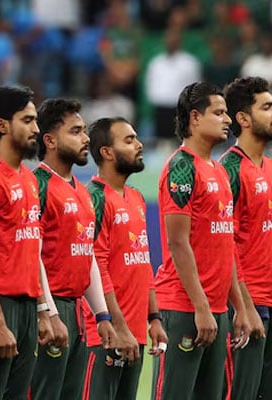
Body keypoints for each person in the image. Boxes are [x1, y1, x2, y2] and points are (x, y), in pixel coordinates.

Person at [151, 82, 251, 400]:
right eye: (219, 113)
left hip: (215, 309)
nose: (228, 120)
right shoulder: (182, 167)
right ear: (195, 118)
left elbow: (226, 247)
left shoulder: (219, 172)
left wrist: (239, 307)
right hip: (185, 308)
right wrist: (201, 307)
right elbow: (178, 243)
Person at [0, 86, 60, 400]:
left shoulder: (29, 177)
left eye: (36, 120)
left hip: (26, 307)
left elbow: (31, 249)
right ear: (2, 125)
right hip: (1, 305)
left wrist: (42, 311)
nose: (36, 128)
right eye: (28, 120)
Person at [220, 77, 272, 400]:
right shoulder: (229, 170)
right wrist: (242, 305)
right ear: (243, 118)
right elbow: (224, 243)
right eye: (267, 107)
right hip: (246, 303)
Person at [29, 98, 116, 400]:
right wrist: (49, 313)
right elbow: (31, 253)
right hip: (50, 308)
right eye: (76, 131)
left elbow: (86, 252)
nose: (86, 138)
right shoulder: (37, 185)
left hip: (78, 310)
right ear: (50, 140)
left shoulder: (81, 190)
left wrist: (101, 315)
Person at [82, 117, 168, 400]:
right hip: (105, 335)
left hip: (134, 333)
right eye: (129, 140)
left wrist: (153, 317)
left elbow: (143, 263)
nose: (139, 145)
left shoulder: (136, 197)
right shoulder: (94, 198)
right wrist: (118, 326)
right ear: (106, 152)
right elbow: (96, 265)